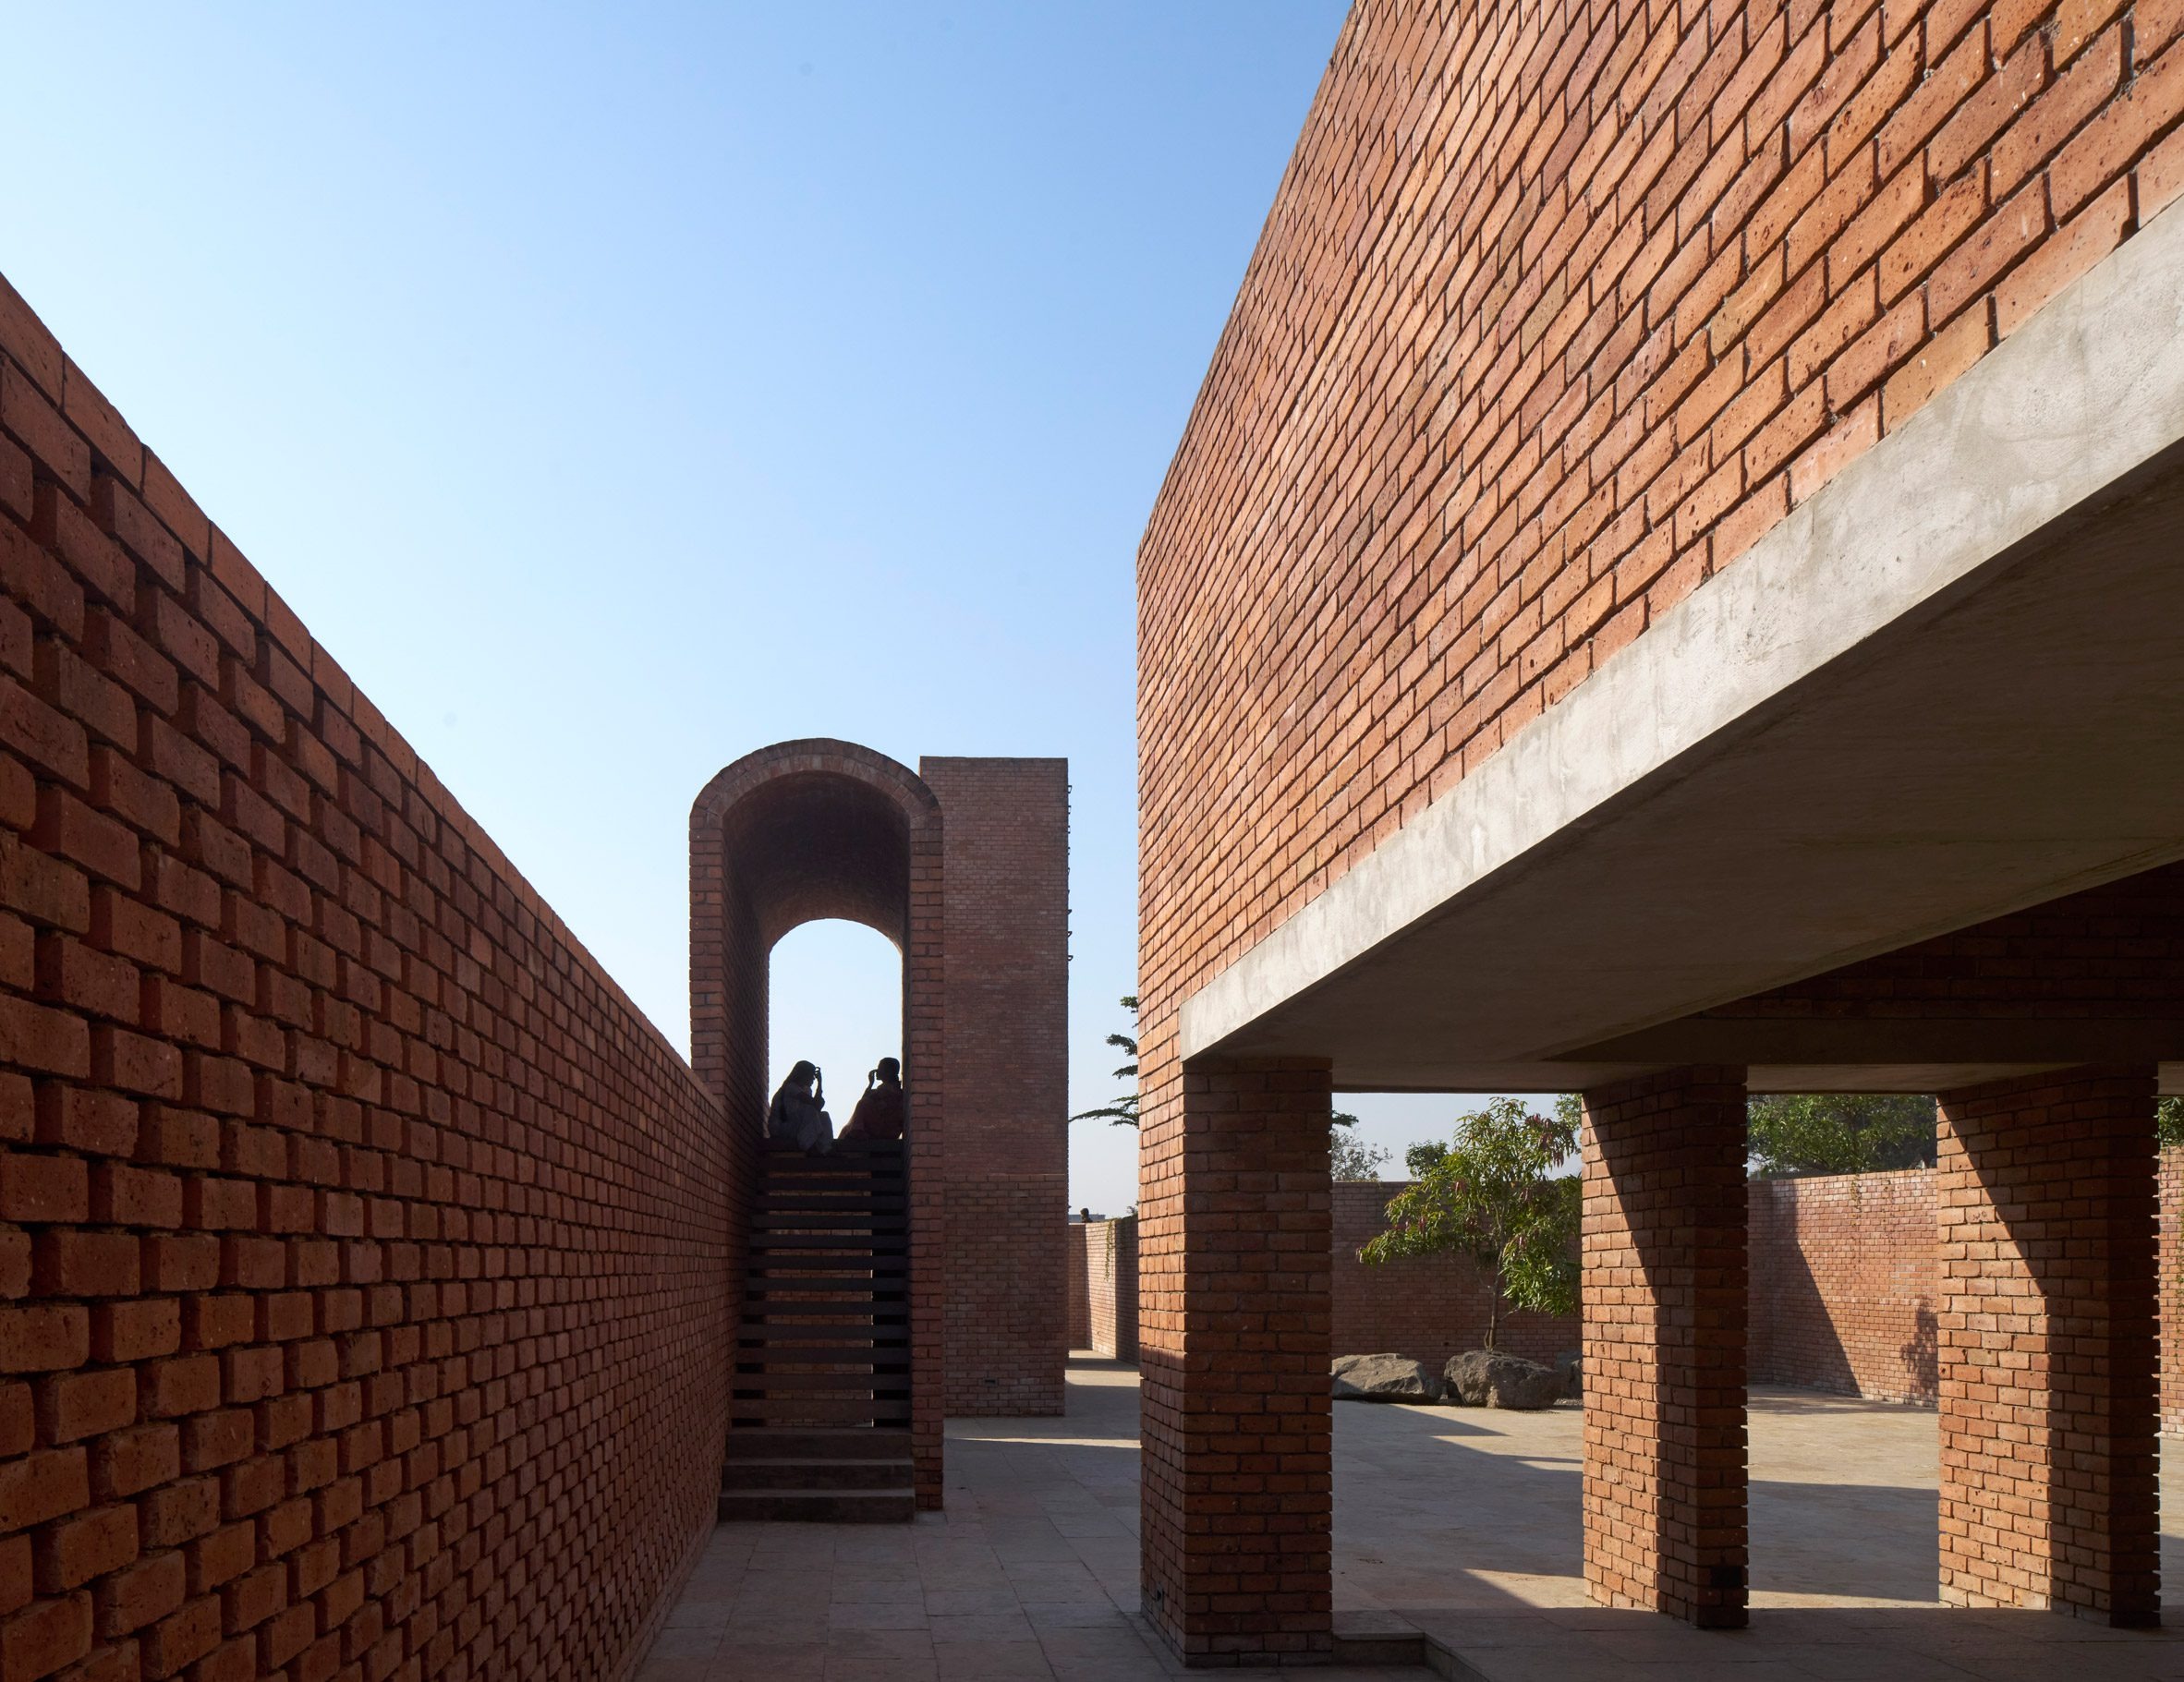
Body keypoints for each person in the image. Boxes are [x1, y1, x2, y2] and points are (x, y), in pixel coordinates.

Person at [767, 1060, 834, 1154]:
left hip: (797, 1125)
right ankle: (809, 1147)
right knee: (809, 1110)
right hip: (783, 1128)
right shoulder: (791, 1087)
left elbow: (818, 1107)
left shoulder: (807, 1090)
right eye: (811, 1076)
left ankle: (826, 1148)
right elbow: (815, 1105)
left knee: (824, 1116)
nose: (813, 1079)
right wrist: (819, 1084)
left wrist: (820, 1084)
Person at [839, 1057, 906, 1143]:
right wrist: (870, 1084)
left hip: (886, 1128)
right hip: (879, 1124)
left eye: (880, 1068)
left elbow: (865, 1103)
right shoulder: (882, 1089)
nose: (877, 1071)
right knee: (846, 1129)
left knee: (864, 1103)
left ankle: (858, 1132)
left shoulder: (892, 1090)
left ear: (888, 1072)